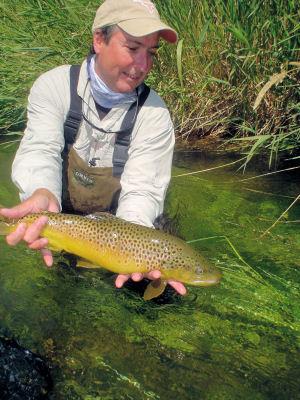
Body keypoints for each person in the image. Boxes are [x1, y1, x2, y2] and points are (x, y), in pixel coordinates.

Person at [0, 0, 186, 296]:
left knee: (158, 301)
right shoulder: (54, 86)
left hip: (125, 226)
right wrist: (41, 191)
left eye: (150, 53)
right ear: (99, 39)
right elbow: (41, 149)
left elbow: (143, 191)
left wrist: (132, 249)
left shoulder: (154, 114)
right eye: (133, 48)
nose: (143, 65)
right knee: (59, 296)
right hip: (62, 218)